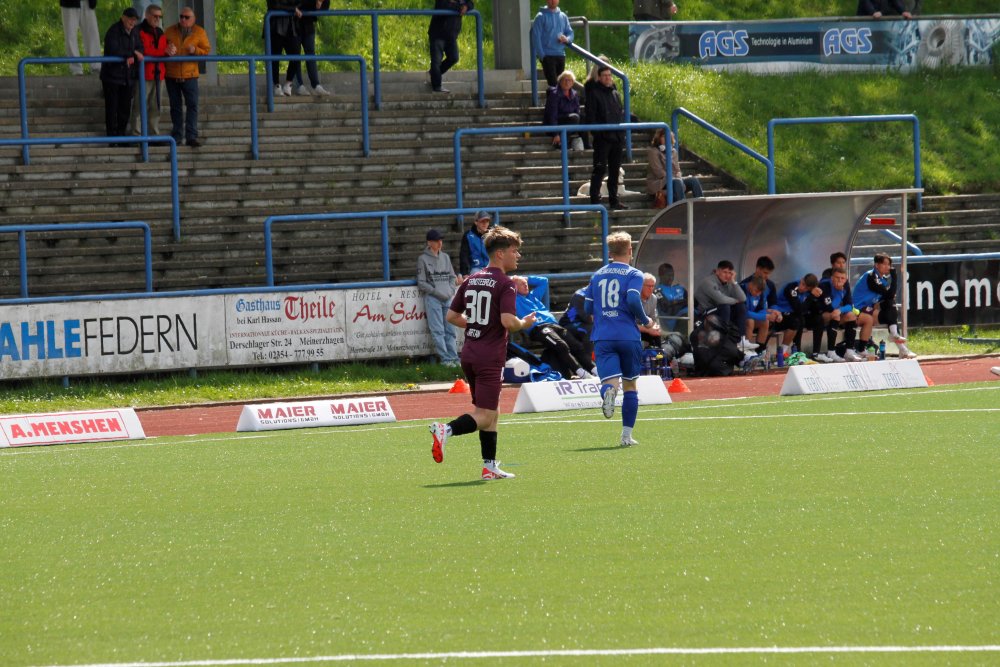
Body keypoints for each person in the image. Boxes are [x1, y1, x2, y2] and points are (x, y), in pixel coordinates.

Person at [430, 226, 536, 480]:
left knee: (491, 410)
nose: (518, 256)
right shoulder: (505, 284)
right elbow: (509, 321)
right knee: (485, 415)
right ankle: (446, 430)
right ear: (500, 254)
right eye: (514, 251)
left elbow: (451, 316)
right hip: (489, 357)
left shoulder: (472, 279)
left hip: (470, 353)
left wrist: (478, 324)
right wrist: (524, 323)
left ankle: (489, 467)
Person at [583, 231, 648, 447]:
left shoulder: (597, 275)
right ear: (630, 250)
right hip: (628, 335)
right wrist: (645, 319)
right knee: (630, 385)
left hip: (603, 336)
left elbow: (586, 307)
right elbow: (633, 298)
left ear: (610, 252)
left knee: (610, 382)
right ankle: (626, 436)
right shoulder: (634, 274)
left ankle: (609, 393)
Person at [512, 275, 596, 380]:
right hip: (539, 328)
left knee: (576, 346)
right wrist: (511, 280)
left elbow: (543, 281)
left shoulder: (533, 296)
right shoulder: (514, 299)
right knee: (561, 345)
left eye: (526, 283)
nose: (526, 285)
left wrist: (525, 278)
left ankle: (594, 370)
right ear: (514, 287)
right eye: (522, 284)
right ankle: (581, 373)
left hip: (554, 325)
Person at [853, 253, 917, 358]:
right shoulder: (871, 276)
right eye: (885, 264)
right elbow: (890, 294)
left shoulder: (883, 280)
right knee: (890, 305)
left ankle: (900, 345)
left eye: (889, 264)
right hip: (858, 309)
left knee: (890, 310)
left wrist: (889, 296)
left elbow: (889, 296)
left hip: (869, 310)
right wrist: (894, 277)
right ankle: (897, 341)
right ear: (877, 265)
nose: (888, 267)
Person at [164, 7, 211, 148]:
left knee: (192, 105)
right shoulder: (169, 31)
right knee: (175, 107)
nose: (183, 19)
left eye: (186, 17)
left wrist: (195, 50)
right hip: (171, 75)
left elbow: (206, 51)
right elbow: (162, 48)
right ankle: (177, 136)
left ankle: (191, 136)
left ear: (193, 19)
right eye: (181, 16)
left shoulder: (200, 32)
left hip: (190, 75)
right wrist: (167, 50)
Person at [584, 64, 627, 211]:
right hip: (602, 138)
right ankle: (595, 199)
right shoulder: (594, 93)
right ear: (599, 77)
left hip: (616, 137)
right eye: (605, 76)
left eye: (609, 75)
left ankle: (614, 200)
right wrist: (598, 134)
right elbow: (590, 116)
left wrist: (621, 135)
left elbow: (620, 114)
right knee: (600, 169)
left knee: (614, 170)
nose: (608, 78)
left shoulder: (615, 94)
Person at [416, 228, 461, 367]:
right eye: (436, 241)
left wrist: (450, 290)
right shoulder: (422, 259)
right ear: (429, 242)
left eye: (440, 240)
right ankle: (446, 359)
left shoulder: (445, 257)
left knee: (450, 330)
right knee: (438, 330)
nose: (440, 243)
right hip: (433, 299)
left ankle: (454, 358)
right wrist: (436, 292)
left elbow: (452, 277)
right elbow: (421, 282)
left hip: (447, 298)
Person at [694, 260, 758, 352]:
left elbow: (743, 298)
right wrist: (735, 301)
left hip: (720, 312)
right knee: (725, 306)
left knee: (741, 306)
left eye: (730, 273)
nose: (727, 275)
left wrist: (734, 281)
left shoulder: (729, 283)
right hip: (705, 313)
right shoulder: (708, 282)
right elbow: (721, 300)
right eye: (724, 272)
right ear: (717, 271)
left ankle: (742, 340)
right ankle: (724, 339)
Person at [100, 7, 144, 142]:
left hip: (127, 77)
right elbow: (113, 49)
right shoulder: (113, 31)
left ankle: (121, 136)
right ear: (123, 18)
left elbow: (140, 48)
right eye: (130, 19)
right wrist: (131, 54)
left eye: (135, 20)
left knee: (125, 109)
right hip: (112, 78)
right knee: (112, 108)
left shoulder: (135, 32)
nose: (132, 22)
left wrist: (134, 54)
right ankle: (112, 138)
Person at [127, 4, 171, 137]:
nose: (157, 19)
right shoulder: (138, 30)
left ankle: (154, 134)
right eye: (155, 16)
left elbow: (163, 50)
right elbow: (143, 50)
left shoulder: (160, 32)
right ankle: (136, 135)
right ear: (147, 15)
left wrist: (171, 49)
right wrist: (164, 52)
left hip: (159, 75)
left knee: (156, 106)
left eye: (160, 17)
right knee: (139, 106)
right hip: (143, 75)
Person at [772, 273, 823, 358]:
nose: (803, 288)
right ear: (802, 279)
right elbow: (799, 309)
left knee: (819, 319)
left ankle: (815, 353)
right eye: (802, 284)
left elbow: (818, 309)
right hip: (781, 313)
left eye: (806, 288)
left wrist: (817, 296)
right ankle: (788, 351)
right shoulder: (791, 287)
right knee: (798, 319)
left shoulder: (811, 291)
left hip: (795, 314)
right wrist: (811, 296)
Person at [646, 128, 703, 204]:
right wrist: (674, 177)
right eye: (663, 136)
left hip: (674, 180)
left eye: (668, 136)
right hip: (659, 182)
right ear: (658, 138)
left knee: (693, 180)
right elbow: (659, 172)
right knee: (677, 181)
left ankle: (701, 206)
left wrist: (678, 174)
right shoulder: (653, 151)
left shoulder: (673, 152)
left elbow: (677, 169)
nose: (666, 138)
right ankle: (681, 208)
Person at [428, 0, 473, 94]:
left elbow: (470, 3)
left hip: (451, 36)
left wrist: (466, 7)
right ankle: (437, 86)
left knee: (454, 57)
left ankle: (434, 74)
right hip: (438, 34)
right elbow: (442, 5)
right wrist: (459, 7)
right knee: (436, 61)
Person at [289, 0, 332, 96]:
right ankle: (299, 85)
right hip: (293, 23)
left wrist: (320, 2)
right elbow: (295, 4)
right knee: (295, 54)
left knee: (310, 53)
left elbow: (324, 8)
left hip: (308, 23)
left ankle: (316, 85)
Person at [816, 267, 859, 362]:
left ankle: (849, 350)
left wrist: (840, 310)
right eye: (837, 277)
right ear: (832, 278)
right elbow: (830, 307)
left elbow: (850, 305)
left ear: (846, 279)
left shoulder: (845, 286)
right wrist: (839, 292)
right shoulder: (825, 285)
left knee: (851, 315)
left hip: (835, 314)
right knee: (835, 315)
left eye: (842, 278)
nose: (840, 280)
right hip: (820, 316)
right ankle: (831, 351)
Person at [530, 0, 574, 88]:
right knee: (553, 84)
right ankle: (552, 97)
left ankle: (554, 97)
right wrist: (542, 56)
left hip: (561, 54)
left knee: (561, 85)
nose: (553, 1)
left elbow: (570, 32)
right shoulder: (540, 16)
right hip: (547, 55)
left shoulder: (563, 16)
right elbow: (536, 37)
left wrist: (567, 39)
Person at [738, 256, 778, 348]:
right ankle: (746, 350)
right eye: (765, 273)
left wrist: (775, 313)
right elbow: (743, 312)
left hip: (755, 316)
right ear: (758, 269)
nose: (767, 276)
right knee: (750, 321)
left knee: (765, 321)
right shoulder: (743, 286)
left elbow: (770, 304)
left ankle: (760, 350)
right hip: (742, 319)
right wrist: (765, 315)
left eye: (769, 273)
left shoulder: (768, 285)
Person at [543, 70, 586, 150]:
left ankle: (585, 144)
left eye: (569, 80)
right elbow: (552, 115)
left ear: (572, 83)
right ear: (560, 81)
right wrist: (555, 134)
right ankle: (561, 142)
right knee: (574, 118)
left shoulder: (574, 94)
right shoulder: (554, 94)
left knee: (582, 117)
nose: (567, 82)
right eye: (565, 80)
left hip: (571, 121)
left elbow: (577, 110)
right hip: (557, 123)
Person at [267, 0, 302, 97]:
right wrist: (293, 8)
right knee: (275, 57)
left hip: (291, 25)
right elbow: (275, 5)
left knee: (296, 55)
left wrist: (293, 8)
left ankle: (288, 83)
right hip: (276, 25)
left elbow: (299, 3)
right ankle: (276, 85)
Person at [61, 0, 102, 76]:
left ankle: (96, 67)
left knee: (93, 35)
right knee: (70, 36)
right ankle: (76, 70)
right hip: (69, 3)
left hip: (88, 3)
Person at [458, 210, 492, 278]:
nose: (485, 224)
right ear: (476, 222)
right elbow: (464, 255)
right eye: (482, 221)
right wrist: (464, 273)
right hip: (475, 268)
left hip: (491, 268)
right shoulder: (468, 235)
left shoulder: (492, 235)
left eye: (487, 221)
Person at [656, 262, 687, 332]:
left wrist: (675, 302)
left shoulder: (679, 288)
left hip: (689, 319)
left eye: (672, 275)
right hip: (672, 325)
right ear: (660, 275)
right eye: (668, 275)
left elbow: (693, 302)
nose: (671, 278)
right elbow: (668, 309)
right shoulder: (657, 292)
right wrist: (684, 302)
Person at [638, 272, 663, 348]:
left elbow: (653, 319)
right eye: (648, 286)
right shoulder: (634, 298)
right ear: (641, 286)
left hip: (644, 327)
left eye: (653, 286)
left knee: (656, 335)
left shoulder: (653, 298)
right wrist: (648, 330)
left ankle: (658, 353)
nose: (651, 289)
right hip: (631, 329)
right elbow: (630, 324)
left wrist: (655, 327)